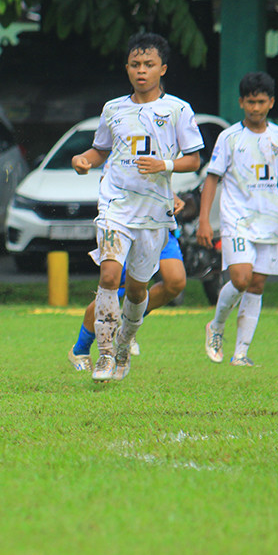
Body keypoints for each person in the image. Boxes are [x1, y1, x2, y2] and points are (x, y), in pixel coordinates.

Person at [71, 32, 204, 382]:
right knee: (109, 275)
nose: (141, 71)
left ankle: (124, 342)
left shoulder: (177, 110)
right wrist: (84, 159)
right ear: (127, 68)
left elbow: (193, 160)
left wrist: (165, 165)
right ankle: (103, 356)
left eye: (148, 64)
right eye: (135, 64)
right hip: (115, 205)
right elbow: (100, 150)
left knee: (136, 290)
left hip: (154, 213)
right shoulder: (113, 109)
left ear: (163, 68)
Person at [198, 71, 278, 366]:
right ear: (242, 102)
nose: (256, 108)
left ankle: (241, 353)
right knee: (241, 278)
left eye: (261, 102)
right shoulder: (229, 138)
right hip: (237, 220)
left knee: (256, 285)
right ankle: (216, 325)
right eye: (250, 102)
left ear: (271, 102)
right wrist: (205, 219)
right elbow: (212, 179)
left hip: (268, 221)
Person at [68, 195, 188, 372]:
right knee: (117, 287)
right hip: (126, 223)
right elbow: (111, 178)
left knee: (175, 282)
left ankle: (126, 327)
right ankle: (80, 349)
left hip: (158, 222)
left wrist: (173, 195)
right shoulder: (115, 167)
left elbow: (161, 174)